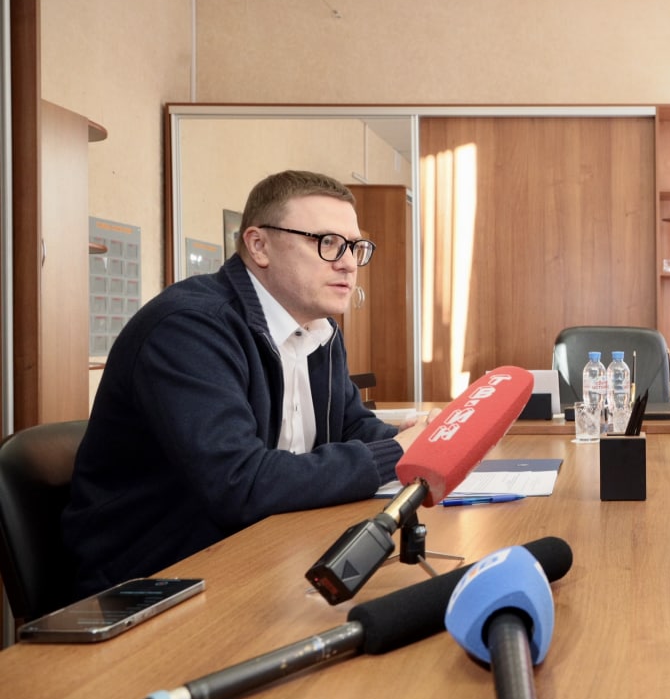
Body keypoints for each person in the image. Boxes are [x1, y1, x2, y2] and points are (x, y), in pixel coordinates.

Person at [65, 170, 429, 597]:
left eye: (355, 247)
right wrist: (393, 453)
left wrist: (409, 440)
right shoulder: (188, 329)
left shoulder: (320, 330)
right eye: (328, 242)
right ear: (259, 246)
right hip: (153, 581)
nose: (348, 263)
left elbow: (350, 425)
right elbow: (239, 483)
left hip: (263, 551)